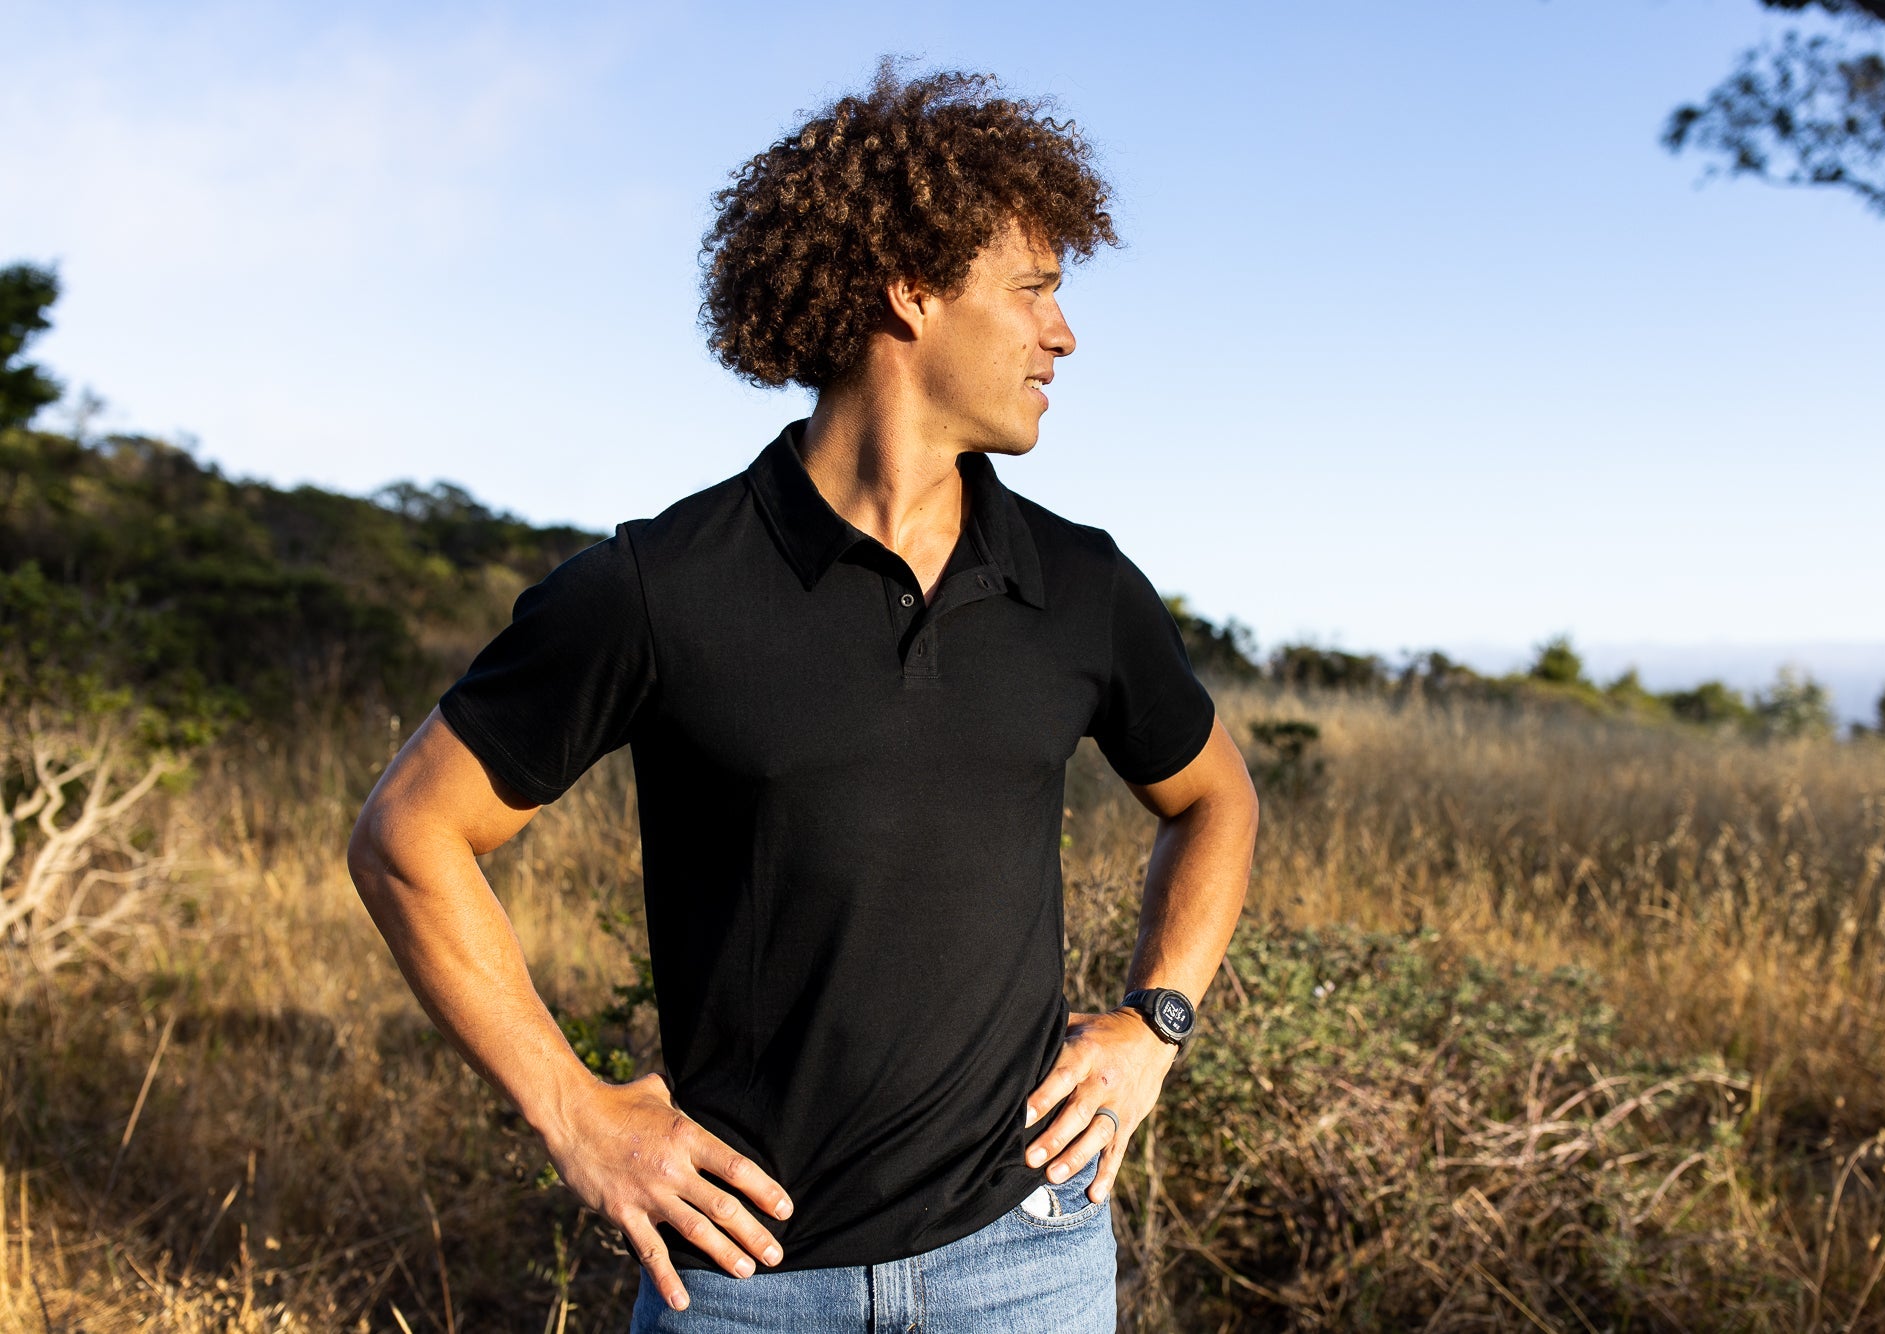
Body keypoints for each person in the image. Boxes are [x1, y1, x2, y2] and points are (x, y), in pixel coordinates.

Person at [347, 65, 1258, 1332]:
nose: (1063, 335)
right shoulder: (654, 588)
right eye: (1036, 290)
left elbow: (1216, 798)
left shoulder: (1079, 586)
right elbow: (408, 833)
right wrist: (576, 1111)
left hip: (1025, 1262)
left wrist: (1154, 1024)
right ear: (909, 287)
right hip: (741, 1284)